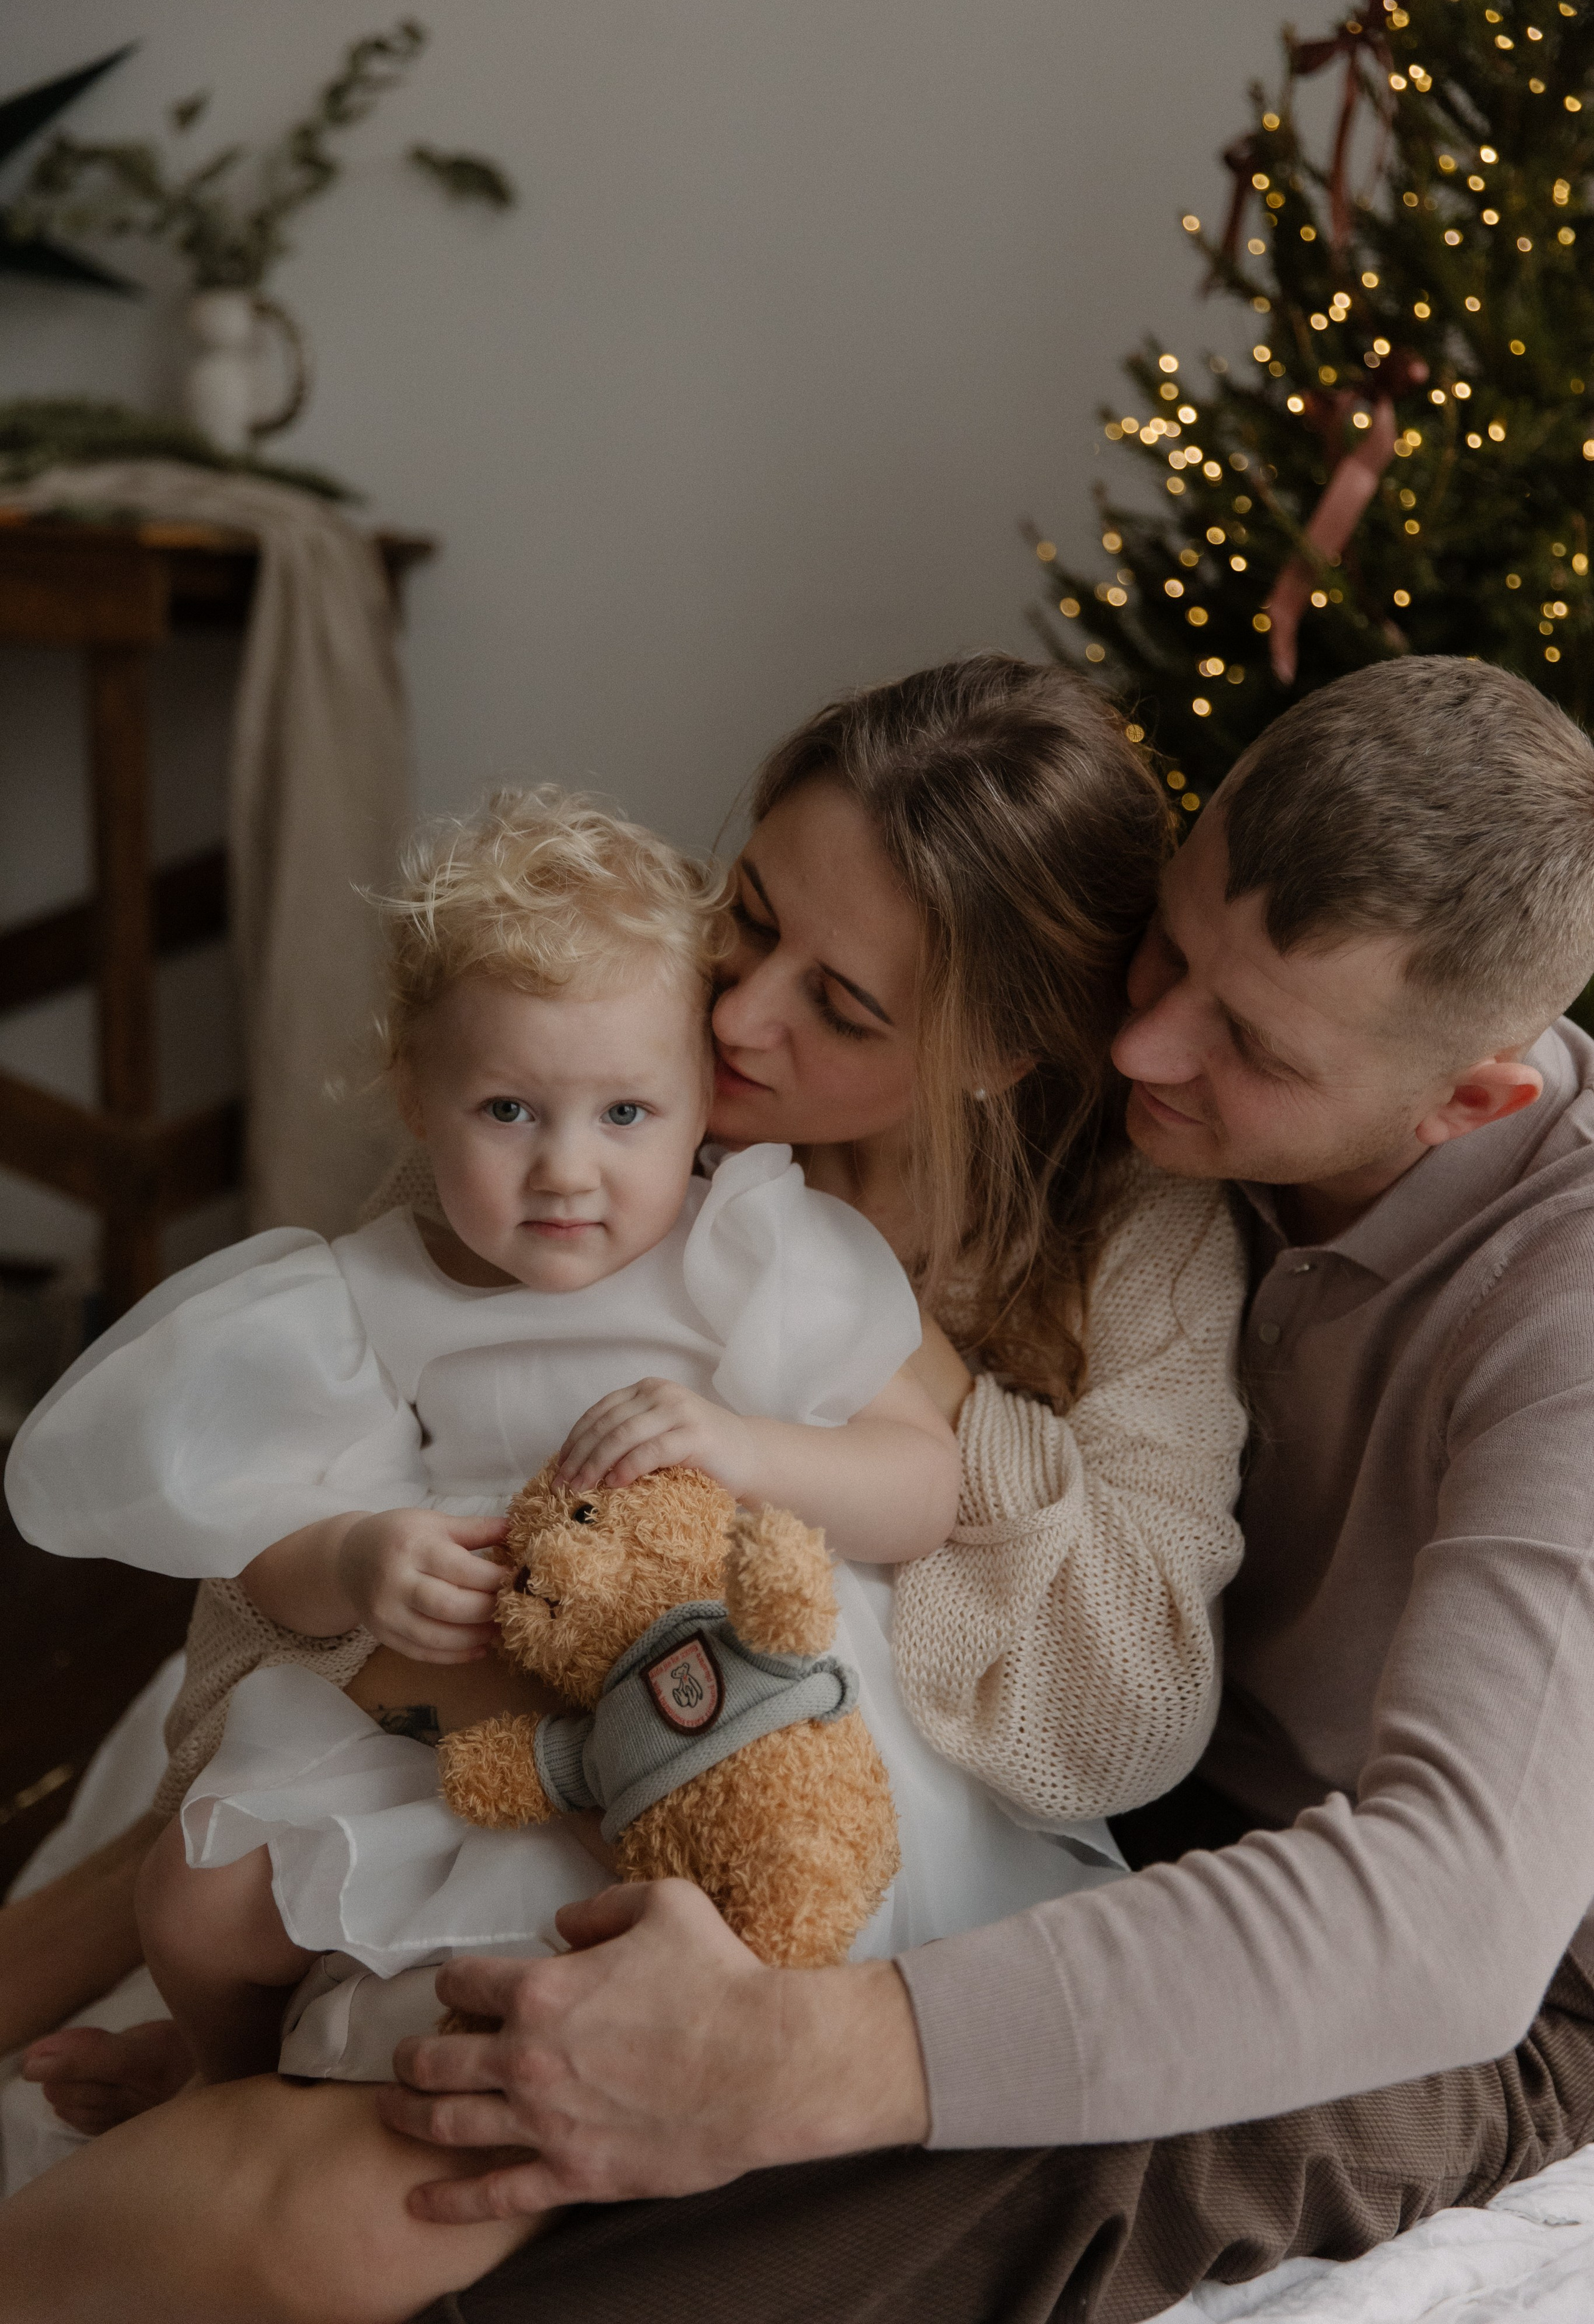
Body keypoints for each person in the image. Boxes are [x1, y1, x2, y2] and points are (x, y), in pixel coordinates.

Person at [0, 655, 1248, 2322]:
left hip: (766, 1812)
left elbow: (1119, 1717)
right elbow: (276, 1597)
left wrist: (900, 1387)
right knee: (223, 1889)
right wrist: (385, 1626)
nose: (737, 1016)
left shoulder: (1135, 1244)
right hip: (469, 1735)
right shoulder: (593, 1086)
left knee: (373, 2189)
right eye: (750, 916)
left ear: (996, 1054)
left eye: (843, 1006)